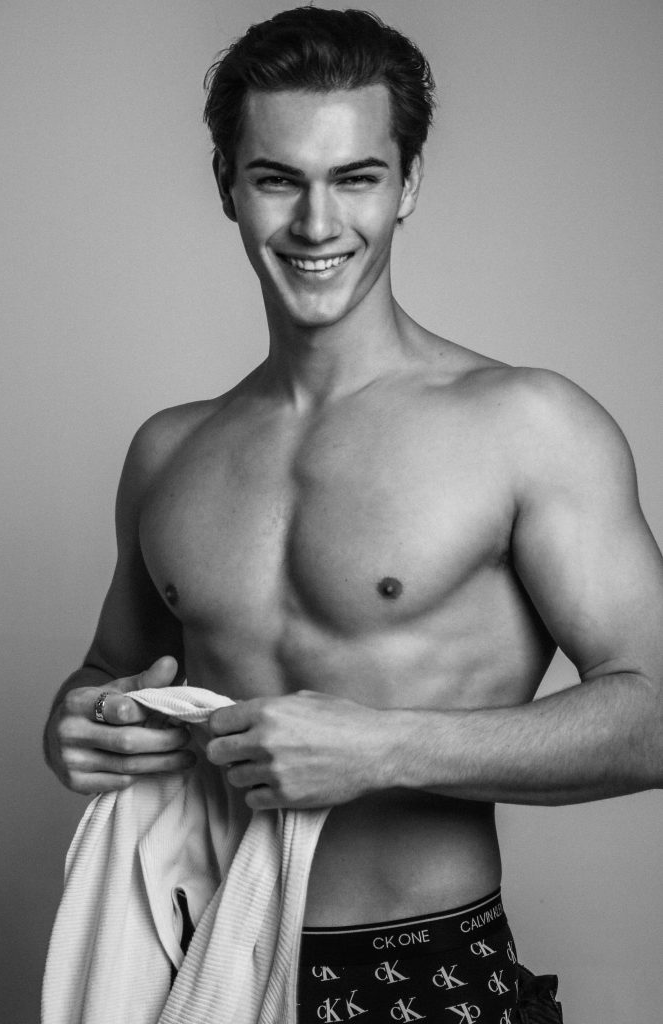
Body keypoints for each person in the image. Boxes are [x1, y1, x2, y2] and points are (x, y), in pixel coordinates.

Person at [43, 7, 663, 1022]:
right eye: (277, 179)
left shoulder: (526, 424)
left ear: (406, 184)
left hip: (419, 968)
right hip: (197, 964)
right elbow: (109, 670)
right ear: (226, 186)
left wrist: (384, 749)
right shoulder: (168, 451)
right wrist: (76, 726)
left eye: (356, 178)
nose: (317, 224)